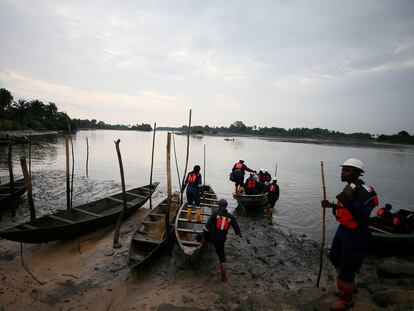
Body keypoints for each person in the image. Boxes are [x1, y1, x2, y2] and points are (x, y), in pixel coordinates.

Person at [321, 158, 379, 311]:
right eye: (342, 169)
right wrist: (331, 205)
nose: (343, 172)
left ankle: (346, 299)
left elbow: (362, 216)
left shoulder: (365, 192)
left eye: (347, 170)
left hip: (356, 232)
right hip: (344, 229)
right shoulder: (350, 187)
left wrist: (348, 199)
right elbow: (344, 209)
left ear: (358, 173)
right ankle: (349, 286)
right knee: (334, 256)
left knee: (347, 264)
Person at [197, 198, 242, 282]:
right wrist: (239, 234)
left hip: (210, 238)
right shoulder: (231, 217)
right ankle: (224, 278)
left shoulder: (215, 214)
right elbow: (237, 230)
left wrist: (203, 237)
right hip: (220, 241)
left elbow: (207, 227)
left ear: (219, 206)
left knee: (198, 236)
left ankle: (198, 249)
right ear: (226, 206)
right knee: (222, 258)